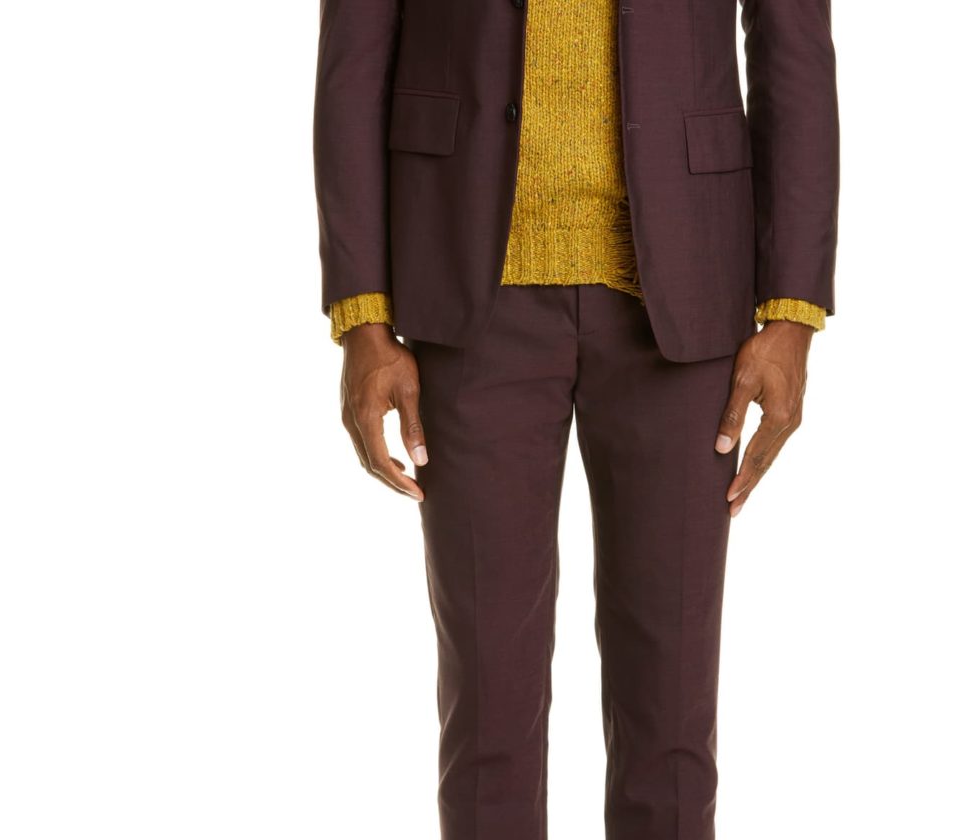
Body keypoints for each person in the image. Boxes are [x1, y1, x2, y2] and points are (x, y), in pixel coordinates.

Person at [313, 0, 838, 836]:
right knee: (487, 710)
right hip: (467, 293)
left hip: (683, 296)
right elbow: (352, 65)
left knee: (671, 714)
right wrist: (363, 317)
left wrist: (793, 313)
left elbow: (794, 52)